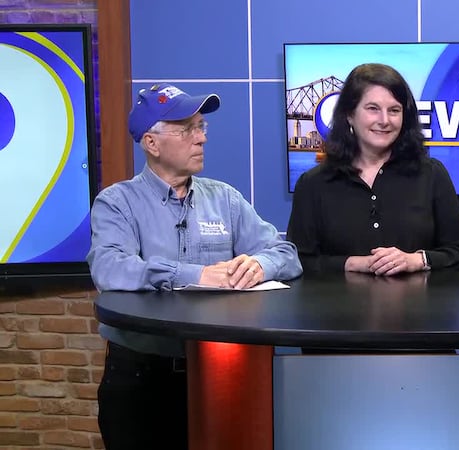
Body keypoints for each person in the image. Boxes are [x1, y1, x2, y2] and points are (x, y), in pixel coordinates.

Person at [87, 84, 302, 450]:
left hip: (221, 372)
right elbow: (109, 268)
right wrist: (193, 274)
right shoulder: (117, 203)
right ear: (151, 143)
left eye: (202, 127)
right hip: (142, 375)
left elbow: (287, 254)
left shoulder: (226, 199)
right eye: (187, 129)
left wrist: (260, 265)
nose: (201, 138)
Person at [287, 63, 459, 275]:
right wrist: (354, 264)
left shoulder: (432, 174)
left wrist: (416, 260)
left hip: (418, 307)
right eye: (373, 109)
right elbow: (299, 261)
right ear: (349, 115)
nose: (384, 121)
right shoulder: (313, 183)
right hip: (338, 307)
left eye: (394, 110)